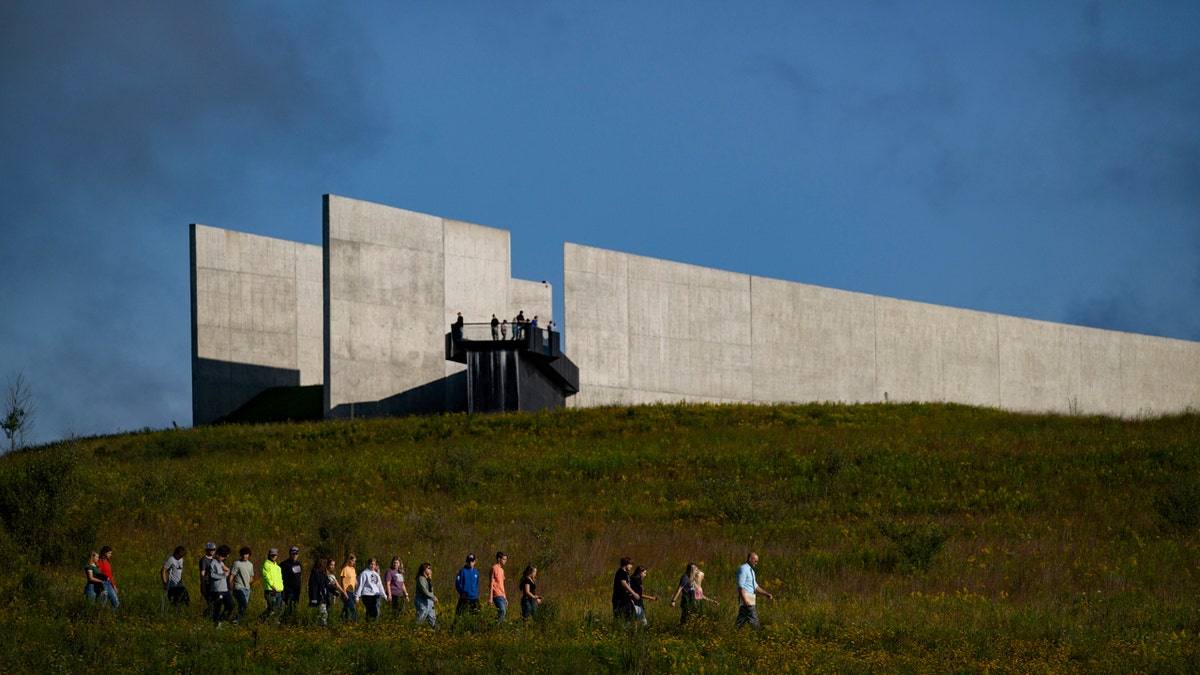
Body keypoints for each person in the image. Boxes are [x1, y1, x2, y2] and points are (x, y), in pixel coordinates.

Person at [735, 552, 773, 630]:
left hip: (751, 597)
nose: (756, 563)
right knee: (753, 617)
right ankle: (759, 634)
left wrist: (766, 593)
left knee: (741, 619)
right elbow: (741, 586)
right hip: (746, 596)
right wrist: (745, 600)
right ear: (750, 559)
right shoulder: (743, 569)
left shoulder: (751, 571)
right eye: (755, 561)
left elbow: (756, 586)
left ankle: (734, 633)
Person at [209, 545, 235, 627]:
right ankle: (216, 624)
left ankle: (221, 620)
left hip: (225, 589)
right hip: (217, 590)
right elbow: (212, 575)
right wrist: (223, 574)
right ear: (218, 554)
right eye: (223, 556)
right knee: (218, 608)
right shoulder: (213, 563)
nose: (224, 558)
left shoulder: (222, 563)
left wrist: (227, 570)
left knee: (231, 605)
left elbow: (227, 572)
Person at [357, 558, 387, 622]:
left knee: (375, 612)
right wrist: (357, 596)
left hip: (375, 595)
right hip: (367, 594)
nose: (372, 566)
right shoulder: (364, 573)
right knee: (370, 610)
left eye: (374, 564)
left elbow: (380, 585)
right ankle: (368, 624)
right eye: (371, 564)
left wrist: (384, 595)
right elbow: (360, 585)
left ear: (375, 565)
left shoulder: (376, 574)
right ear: (368, 564)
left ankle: (372, 625)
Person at [231, 546, 256, 624]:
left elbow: (251, 576)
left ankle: (239, 622)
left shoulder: (250, 564)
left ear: (249, 555)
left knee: (243, 607)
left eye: (247, 554)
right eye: (243, 554)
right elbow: (232, 575)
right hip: (238, 588)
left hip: (247, 589)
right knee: (243, 605)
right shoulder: (237, 563)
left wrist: (251, 584)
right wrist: (229, 586)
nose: (245, 556)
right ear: (241, 554)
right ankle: (236, 621)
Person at [260, 547, 284, 621]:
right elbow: (266, 576)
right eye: (272, 555)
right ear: (269, 555)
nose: (274, 556)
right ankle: (260, 621)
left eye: (275, 555)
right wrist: (271, 585)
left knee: (278, 608)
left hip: (279, 590)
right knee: (272, 608)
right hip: (271, 590)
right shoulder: (266, 565)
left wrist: (282, 588)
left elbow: (280, 579)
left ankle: (273, 622)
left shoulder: (278, 567)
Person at [280, 546, 303, 621]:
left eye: (296, 554)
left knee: (295, 607)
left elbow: (300, 577)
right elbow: (280, 578)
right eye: (293, 554)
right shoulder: (284, 565)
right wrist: (283, 590)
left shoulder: (299, 564)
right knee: (289, 607)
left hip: (297, 590)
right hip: (288, 590)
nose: (295, 555)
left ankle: (291, 622)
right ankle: (284, 621)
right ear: (290, 554)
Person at [611, 557, 637, 622]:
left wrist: (630, 598)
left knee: (633, 617)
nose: (631, 566)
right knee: (620, 618)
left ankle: (631, 631)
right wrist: (633, 593)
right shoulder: (620, 572)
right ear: (625, 564)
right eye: (630, 564)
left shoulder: (626, 573)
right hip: (620, 600)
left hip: (627, 599)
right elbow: (624, 583)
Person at [414, 562, 439, 629]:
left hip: (429, 601)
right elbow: (424, 591)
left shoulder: (428, 579)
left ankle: (438, 632)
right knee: (421, 616)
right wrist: (433, 597)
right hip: (421, 601)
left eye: (431, 568)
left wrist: (430, 579)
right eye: (428, 568)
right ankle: (414, 630)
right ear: (424, 569)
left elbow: (431, 590)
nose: (430, 570)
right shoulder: (420, 578)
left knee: (432, 618)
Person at [308, 556, 330, 626]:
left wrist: (334, 590)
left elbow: (328, 585)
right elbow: (313, 587)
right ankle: (323, 626)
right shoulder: (315, 574)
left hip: (324, 597)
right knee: (323, 613)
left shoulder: (323, 575)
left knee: (321, 613)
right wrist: (313, 598)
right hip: (318, 598)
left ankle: (317, 625)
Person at [97, 545, 119, 612]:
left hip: (109, 583)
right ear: (104, 553)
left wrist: (114, 586)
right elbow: (98, 573)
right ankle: (100, 618)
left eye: (111, 553)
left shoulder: (107, 562)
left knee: (116, 602)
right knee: (103, 603)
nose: (110, 555)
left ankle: (111, 616)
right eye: (109, 553)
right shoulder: (100, 561)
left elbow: (110, 575)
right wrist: (101, 584)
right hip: (103, 583)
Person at [490, 551, 508, 622]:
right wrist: (490, 597)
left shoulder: (502, 570)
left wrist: (505, 597)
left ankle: (497, 626)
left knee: (503, 613)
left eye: (505, 559)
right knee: (502, 612)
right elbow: (491, 583)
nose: (505, 561)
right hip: (496, 594)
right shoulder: (494, 568)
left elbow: (502, 584)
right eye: (503, 559)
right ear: (499, 559)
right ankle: (495, 626)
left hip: (502, 595)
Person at [199, 542, 216, 615]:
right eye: (210, 549)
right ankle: (204, 616)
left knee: (215, 604)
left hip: (213, 584)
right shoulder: (204, 560)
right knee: (211, 604)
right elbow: (202, 574)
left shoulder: (215, 560)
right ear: (207, 550)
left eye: (213, 549)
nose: (212, 551)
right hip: (207, 583)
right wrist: (203, 587)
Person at [340, 555, 359, 622]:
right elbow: (342, 581)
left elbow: (355, 580)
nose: (353, 563)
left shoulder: (353, 569)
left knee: (346, 607)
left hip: (352, 592)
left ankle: (342, 619)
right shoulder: (345, 569)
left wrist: (359, 588)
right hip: (346, 591)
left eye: (354, 561)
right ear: (349, 560)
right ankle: (355, 621)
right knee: (352, 608)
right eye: (352, 561)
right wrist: (344, 592)